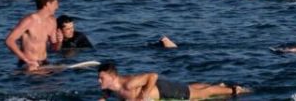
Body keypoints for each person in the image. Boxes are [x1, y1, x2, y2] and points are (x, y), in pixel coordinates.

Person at [97, 61, 246, 100]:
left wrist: (144, 96)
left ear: (113, 76)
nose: (99, 81)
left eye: (102, 78)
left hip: (164, 90)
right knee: (190, 87)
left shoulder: (128, 84)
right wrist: (103, 98)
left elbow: (152, 76)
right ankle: (218, 85)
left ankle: (234, 90)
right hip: (161, 89)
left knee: (199, 95)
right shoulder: (110, 88)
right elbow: (107, 92)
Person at [5, 0, 62, 70]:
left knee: (60, 79)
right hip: (28, 64)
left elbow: (54, 49)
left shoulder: (52, 21)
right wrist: (27, 60)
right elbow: (9, 40)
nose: (57, 7)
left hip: (44, 62)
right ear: (48, 4)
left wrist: (59, 41)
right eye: (55, 4)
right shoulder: (29, 20)